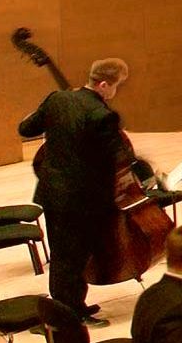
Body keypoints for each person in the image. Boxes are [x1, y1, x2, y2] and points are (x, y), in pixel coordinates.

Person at [18, 55, 132, 323]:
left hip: (53, 192)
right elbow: (120, 157)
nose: (115, 93)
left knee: (62, 254)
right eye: (116, 86)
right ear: (103, 85)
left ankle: (71, 305)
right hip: (83, 200)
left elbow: (26, 128)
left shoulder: (56, 100)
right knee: (74, 257)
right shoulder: (102, 115)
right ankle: (68, 314)